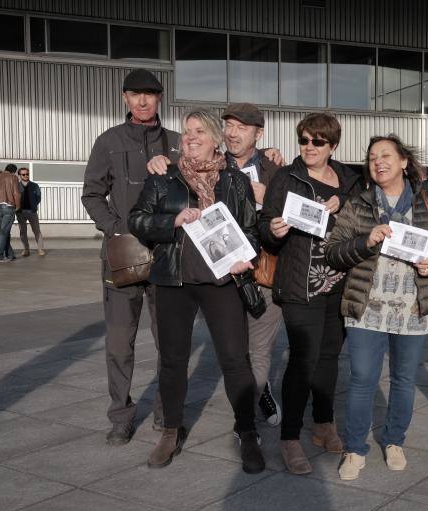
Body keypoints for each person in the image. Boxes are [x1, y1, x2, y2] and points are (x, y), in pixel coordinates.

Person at [128, 109, 265, 474]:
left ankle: (247, 431)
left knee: (235, 360)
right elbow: (136, 219)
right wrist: (171, 220)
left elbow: (252, 230)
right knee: (172, 360)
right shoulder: (164, 177)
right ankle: (171, 430)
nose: (190, 137)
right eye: (187, 131)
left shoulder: (235, 181)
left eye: (199, 131)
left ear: (215, 138)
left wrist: (244, 257)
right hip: (174, 281)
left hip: (222, 282)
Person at [326, 135, 428, 480]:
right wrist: (364, 241)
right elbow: (333, 251)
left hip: (413, 308)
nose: (378, 162)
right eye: (372, 158)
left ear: (404, 161)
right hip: (366, 307)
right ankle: (355, 449)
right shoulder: (358, 204)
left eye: (386, 155)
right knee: (362, 380)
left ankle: (394, 440)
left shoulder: (427, 202)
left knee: (403, 380)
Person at [147, 102, 285, 429]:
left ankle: (250, 414)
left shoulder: (273, 167)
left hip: (260, 270)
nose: (234, 133)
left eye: (243, 127)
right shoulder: (195, 168)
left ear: (258, 134)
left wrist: (267, 195)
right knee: (225, 353)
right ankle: (171, 419)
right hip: (208, 275)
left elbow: (285, 215)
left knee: (257, 352)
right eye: (229, 126)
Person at [258, 112, 362, 474]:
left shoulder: (349, 179)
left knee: (330, 357)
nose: (310, 147)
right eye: (304, 140)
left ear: (333, 145)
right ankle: (289, 438)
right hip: (301, 282)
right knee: (304, 358)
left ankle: (322, 423)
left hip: (341, 283)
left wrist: (343, 206)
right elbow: (264, 225)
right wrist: (272, 228)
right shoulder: (286, 177)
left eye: (318, 141)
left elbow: (365, 217)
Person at [82, 69, 179, 444]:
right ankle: (121, 416)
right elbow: (91, 194)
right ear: (124, 98)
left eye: (149, 94)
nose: (142, 101)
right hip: (122, 258)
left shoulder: (175, 143)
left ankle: (165, 411)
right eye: (135, 94)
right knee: (120, 343)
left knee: (168, 341)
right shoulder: (108, 141)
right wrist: (115, 229)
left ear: (159, 98)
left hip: (166, 257)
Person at [16, 167, 46, 257]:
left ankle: (40, 249)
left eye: (27, 174)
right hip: (20, 212)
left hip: (32, 212)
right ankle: (26, 249)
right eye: (23, 174)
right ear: (20, 175)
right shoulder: (16, 186)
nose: (26, 176)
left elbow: (38, 197)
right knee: (22, 231)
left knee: (37, 231)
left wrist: (33, 205)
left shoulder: (34, 185)